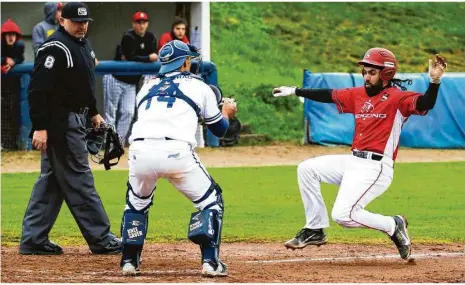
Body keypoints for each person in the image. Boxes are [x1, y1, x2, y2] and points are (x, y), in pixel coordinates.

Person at [272, 48, 447, 260]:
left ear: (385, 74)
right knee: (307, 169)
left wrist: (434, 82)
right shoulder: (357, 95)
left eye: (371, 72)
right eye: (365, 71)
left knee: (342, 215)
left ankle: (393, 224)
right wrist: (295, 91)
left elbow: (425, 103)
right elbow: (329, 95)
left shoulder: (398, 99)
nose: (366, 76)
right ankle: (315, 229)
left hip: (376, 167)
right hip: (353, 161)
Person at [119, 40, 237, 277]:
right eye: (189, 59)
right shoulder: (199, 85)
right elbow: (220, 130)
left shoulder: (147, 85)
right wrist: (226, 112)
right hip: (175, 152)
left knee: (137, 203)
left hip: (139, 150)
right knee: (211, 201)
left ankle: (129, 261)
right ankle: (210, 262)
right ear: (184, 62)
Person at [21, 2, 122, 255]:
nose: (82, 25)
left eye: (85, 21)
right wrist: (40, 127)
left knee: (52, 181)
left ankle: (33, 239)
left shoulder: (82, 45)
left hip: (75, 118)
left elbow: (82, 86)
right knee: (79, 178)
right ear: (63, 21)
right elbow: (37, 90)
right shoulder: (55, 48)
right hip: (61, 123)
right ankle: (101, 238)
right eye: (77, 21)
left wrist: (94, 112)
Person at [103, 11, 158, 145]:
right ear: (133, 24)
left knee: (128, 113)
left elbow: (152, 56)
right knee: (111, 113)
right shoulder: (128, 37)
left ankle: (118, 143)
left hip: (131, 82)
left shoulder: (150, 37)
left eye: (144, 22)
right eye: (138, 22)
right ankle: (108, 143)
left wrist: (146, 58)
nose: (141, 25)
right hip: (115, 77)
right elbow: (130, 57)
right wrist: (147, 58)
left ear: (147, 24)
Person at [1, 18, 25, 150]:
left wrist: (14, 61)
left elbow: (20, 58)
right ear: (4, 36)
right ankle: (4, 143)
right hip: (2, 84)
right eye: (8, 35)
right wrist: (4, 60)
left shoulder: (20, 46)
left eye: (13, 35)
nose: (11, 37)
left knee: (13, 112)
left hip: (13, 85)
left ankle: (13, 144)